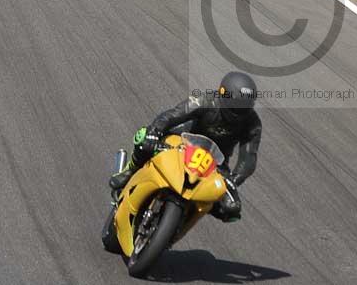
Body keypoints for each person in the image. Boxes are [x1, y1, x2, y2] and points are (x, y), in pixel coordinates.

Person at [109, 71, 261, 223]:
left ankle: (180, 221)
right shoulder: (206, 100)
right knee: (144, 138)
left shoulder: (252, 123)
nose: (239, 114)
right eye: (236, 108)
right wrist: (154, 132)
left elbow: (248, 158)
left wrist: (234, 180)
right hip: (181, 142)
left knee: (230, 209)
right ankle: (131, 169)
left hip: (216, 162)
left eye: (244, 109)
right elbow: (174, 114)